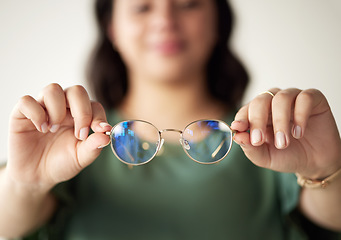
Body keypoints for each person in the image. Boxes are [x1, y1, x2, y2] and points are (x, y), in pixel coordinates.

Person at [0, 0, 340, 239]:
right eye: (142, 6)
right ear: (112, 28)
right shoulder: (69, 141)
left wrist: (327, 168)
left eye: (189, 3)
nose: (165, 19)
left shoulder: (271, 137)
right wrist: (23, 183)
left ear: (218, 21)